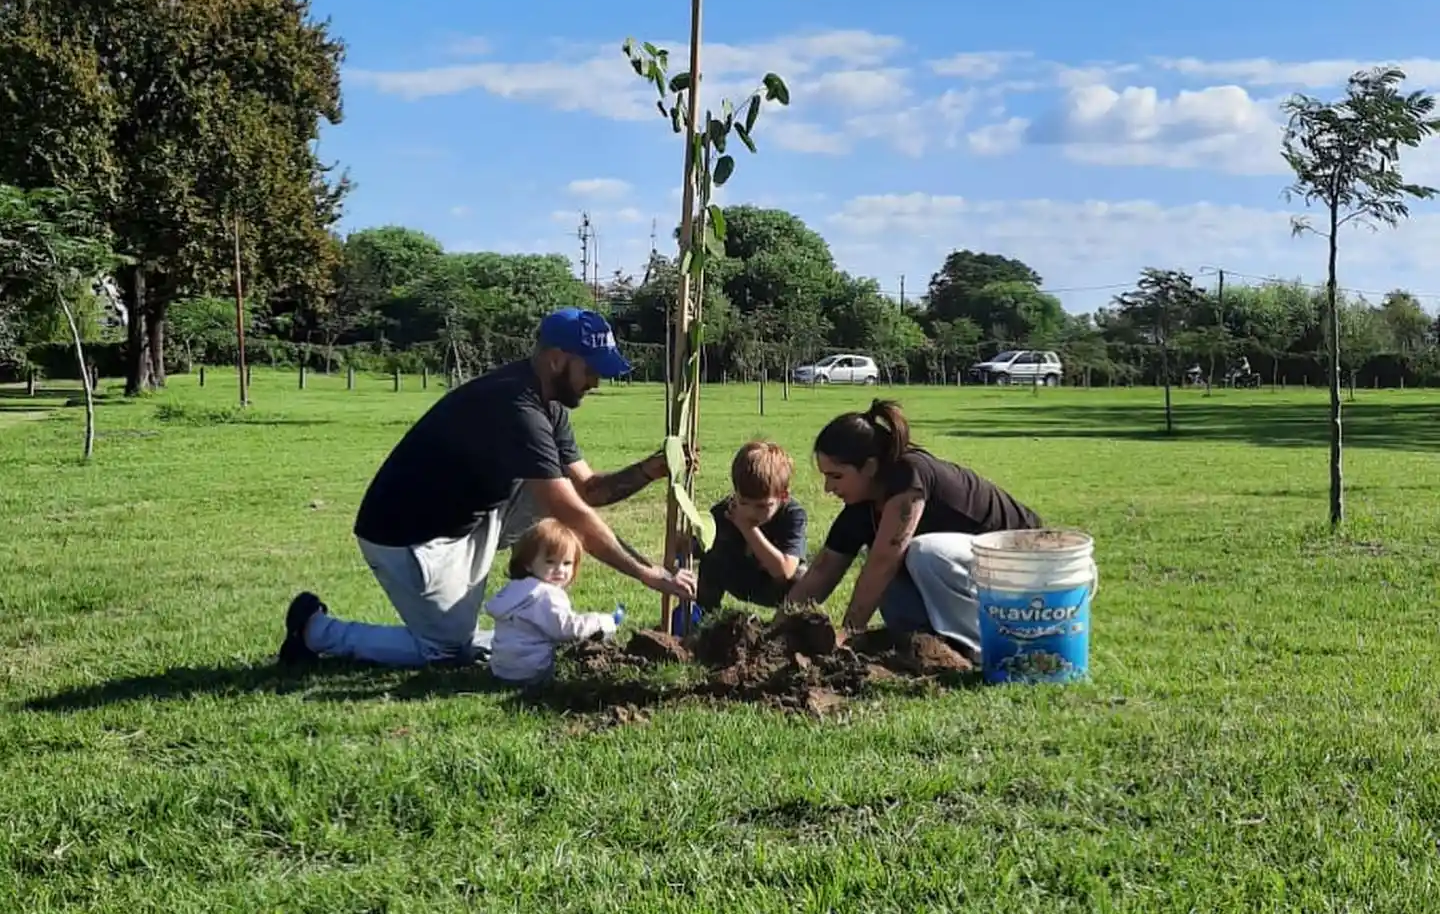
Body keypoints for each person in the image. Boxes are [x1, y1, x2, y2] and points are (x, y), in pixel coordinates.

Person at [278, 307, 696, 668]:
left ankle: (504, 618)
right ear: (556, 359)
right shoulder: (515, 406)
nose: (596, 382)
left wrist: (650, 469)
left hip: (470, 515)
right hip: (410, 537)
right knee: (445, 651)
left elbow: (586, 490)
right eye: (590, 369)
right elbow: (569, 510)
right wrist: (648, 573)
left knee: (561, 493)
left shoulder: (548, 404)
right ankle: (315, 630)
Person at [785, 398, 1041, 659]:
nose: (828, 488)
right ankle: (931, 646)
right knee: (893, 573)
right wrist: (778, 630)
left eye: (836, 476)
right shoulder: (864, 503)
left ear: (870, 466)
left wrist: (848, 633)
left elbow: (885, 560)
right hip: (983, 575)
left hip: (1029, 565)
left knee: (922, 552)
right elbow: (825, 567)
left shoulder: (908, 475)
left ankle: (983, 649)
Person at [485, 519, 620, 683]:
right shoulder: (545, 595)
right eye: (550, 562)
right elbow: (568, 629)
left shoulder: (515, 589)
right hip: (533, 670)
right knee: (577, 652)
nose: (560, 570)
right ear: (527, 563)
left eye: (567, 563)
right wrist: (602, 621)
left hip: (503, 668)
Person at [695, 441, 807, 612]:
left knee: (803, 580)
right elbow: (697, 550)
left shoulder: (792, 515)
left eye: (762, 506)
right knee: (711, 557)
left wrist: (747, 528)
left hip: (774, 586)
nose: (751, 512)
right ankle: (705, 618)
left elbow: (785, 571)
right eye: (744, 502)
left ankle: (788, 628)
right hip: (737, 578)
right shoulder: (724, 512)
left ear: (783, 497)